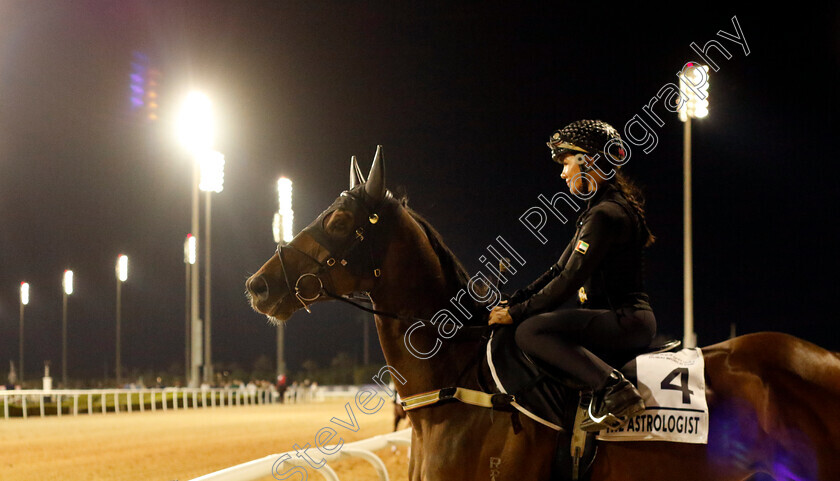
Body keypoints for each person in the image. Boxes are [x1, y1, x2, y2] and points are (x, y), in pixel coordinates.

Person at [488, 119, 657, 431]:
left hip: (625, 321)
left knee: (530, 332)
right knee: (529, 321)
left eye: (565, 162)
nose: (562, 173)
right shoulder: (600, 209)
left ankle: (614, 389)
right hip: (620, 318)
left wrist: (517, 314)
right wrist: (515, 299)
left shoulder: (606, 214)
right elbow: (558, 270)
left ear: (587, 161)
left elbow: (568, 281)